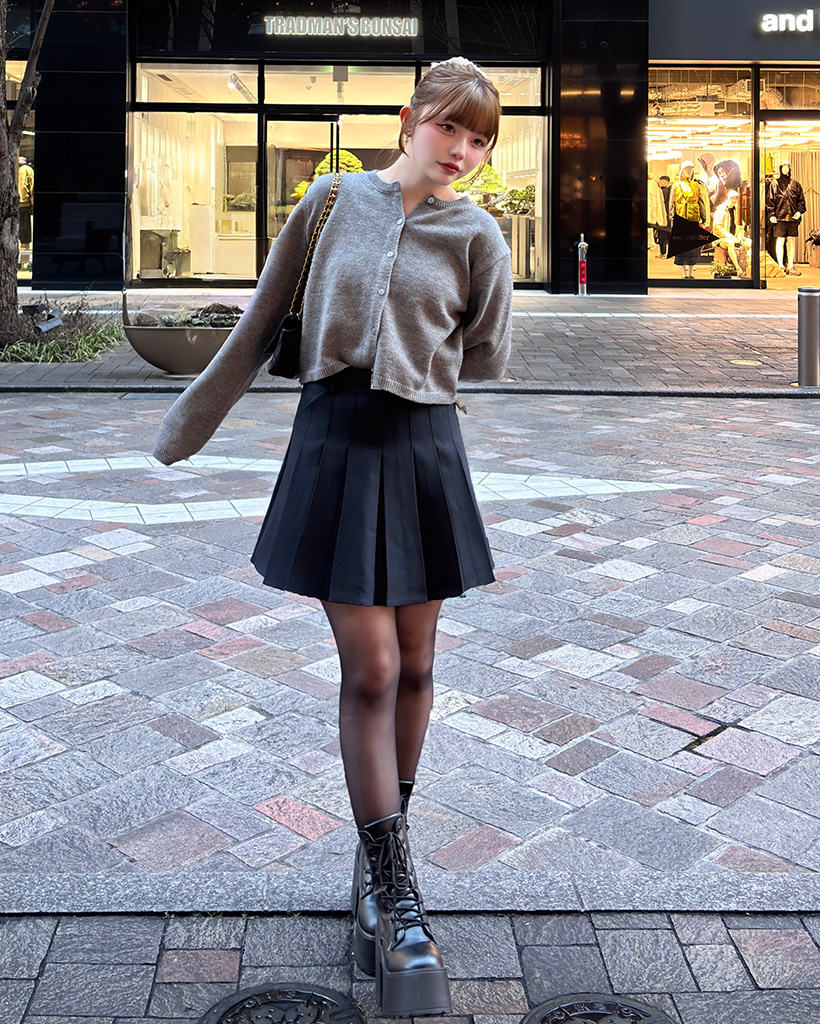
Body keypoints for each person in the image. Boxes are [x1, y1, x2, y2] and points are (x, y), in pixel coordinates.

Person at [152, 56, 511, 1018]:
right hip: (336, 442)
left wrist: (418, 358)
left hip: (425, 447)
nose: (462, 150)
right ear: (409, 118)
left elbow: (486, 352)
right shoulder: (330, 203)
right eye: (449, 126)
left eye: (480, 139)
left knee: (420, 664)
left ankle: (379, 865)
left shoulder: (479, 235)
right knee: (374, 667)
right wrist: (188, 425)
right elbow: (261, 323)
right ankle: (400, 898)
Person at [766, 161, 806, 276]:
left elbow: (801, 200)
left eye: (787, 167)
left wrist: (799, 211)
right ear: (780, 169)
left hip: (792, 218)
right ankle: (780, 266)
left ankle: (791, 266)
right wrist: (771, 214)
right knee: (780, 240)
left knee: (792, 241)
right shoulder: (774, 184)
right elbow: (770, 200)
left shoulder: (795, 184)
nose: (785, 169)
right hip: (779, 217)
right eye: (783, 167)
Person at [669, 159, 707, 279]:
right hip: (680, 218)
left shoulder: (696, 185)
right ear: (682, 170)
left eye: (691, 169)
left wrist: (703, 218)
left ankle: (690, 273)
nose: (689, 171)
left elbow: (700, 202)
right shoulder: (676, 185)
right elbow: (672, 203)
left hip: (693, 218)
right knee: (681, 246)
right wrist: (672, 218)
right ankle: (683, 273)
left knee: (692, 247)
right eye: (686, 169)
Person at [713, 190, 750, 277]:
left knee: (749, 242)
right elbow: (717, 227)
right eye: (733, 199)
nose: (735, 201)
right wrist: (729, 235)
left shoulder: (736, 210)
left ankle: (749, 268)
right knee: (730, 243)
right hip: (720, 238)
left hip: (734, 237)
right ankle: (738, 268)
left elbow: (741, 225)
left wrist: (740, 235)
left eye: (736, 199)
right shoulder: (720, 211)